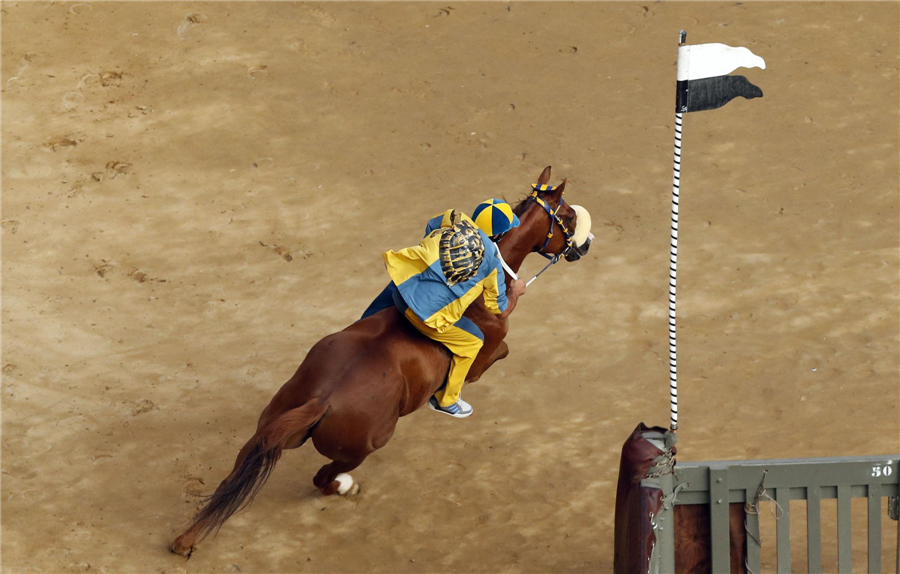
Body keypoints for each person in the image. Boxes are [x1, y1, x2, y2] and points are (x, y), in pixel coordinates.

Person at [361, 199, 527, 418]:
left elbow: (431, 226)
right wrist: (515, 291)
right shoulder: (493, 264)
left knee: (397, 285)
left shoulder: (454, 217)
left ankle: (361, 325)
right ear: (497, 236)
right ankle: (446, 400)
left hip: (401, 295)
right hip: (425, 317)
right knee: (473, 341)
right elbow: (499, 310)